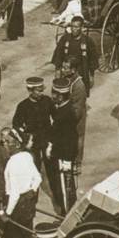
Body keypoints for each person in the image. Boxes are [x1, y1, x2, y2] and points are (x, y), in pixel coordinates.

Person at [0, 133, 42, 238]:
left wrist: (7, 214)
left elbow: (14, 193)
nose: (4, 144)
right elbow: (38, 178)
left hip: (17, 207)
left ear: (17, 144)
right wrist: (32, 191)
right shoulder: (27, 156)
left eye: (7, 142)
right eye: (3, 141)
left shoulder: (12, 163)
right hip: (28, 204)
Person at [45, 79, 78, 216]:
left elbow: (68, 137)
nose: (52, 96)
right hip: (63, 152)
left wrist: (67, 159)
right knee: (67, 185)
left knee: (65, 188)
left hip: (64, 155)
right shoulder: (63, 108)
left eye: (54, 93)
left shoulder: (65, 114)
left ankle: (66, 215)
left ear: (60, 96)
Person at [12, 76, 53, 170]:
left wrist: (53, 138)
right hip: (33, 141)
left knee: (51, 166)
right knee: (34, 167)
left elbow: (57, 117)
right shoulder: (23, 106)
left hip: (47, 138)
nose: (41, 93)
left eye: (42, 90)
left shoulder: (47, 101)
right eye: (38, 91)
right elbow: (16, 125)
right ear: (30, 91)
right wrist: (26, 139)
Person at [51, 14, 98, 96]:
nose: (74, 29)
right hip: (66, 72)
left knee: (80, 95)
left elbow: (93, 59)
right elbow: (58, 54)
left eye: (76, 27)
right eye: (72, 26)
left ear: (82, 27)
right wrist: (57, 70)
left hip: (81, 72)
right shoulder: (65, 39)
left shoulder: (88, 41)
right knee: (64, 94)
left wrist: (91, 76)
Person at [60, 57, 87, 165]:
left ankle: (77, 161)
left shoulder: (79, 85)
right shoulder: (66, 78)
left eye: (66, 68)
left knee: (78, 137)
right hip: (68, 114)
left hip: (76, 115)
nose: (62, 70)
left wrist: (69, 119)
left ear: (73, 70)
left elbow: (77, 109)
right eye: (62, 67)